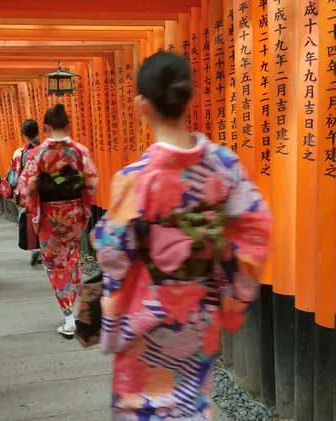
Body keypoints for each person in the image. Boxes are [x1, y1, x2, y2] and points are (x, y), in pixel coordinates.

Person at [91, 52, 272, 420]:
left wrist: (110, 305)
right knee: (191, 399)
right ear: (189, 97)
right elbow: (256, 227)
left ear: (142, 106)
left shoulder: (135, 178)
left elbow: (113, 253)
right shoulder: (224, 164)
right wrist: (233, 297)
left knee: (143, 405)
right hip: (198, 310)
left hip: (146, 315)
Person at [19, 103, 98, 338]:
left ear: (45, 128)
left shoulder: (37, 154)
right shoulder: (79, 151)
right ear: (68, 125)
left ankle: (68, 316)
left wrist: (34, 212)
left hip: (49, 216)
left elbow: (27, 187)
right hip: (73, 214)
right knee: (72, 257)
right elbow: (91, 182)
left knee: (55, 264)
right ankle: (73, 308)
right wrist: (84, 209)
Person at [1, 119, 43, 265]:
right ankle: (43, 248)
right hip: (42, 190)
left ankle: (34, 247)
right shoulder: (44, 151)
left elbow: (13, 174)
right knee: (43, 219)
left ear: (23, 134)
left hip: (25, 194)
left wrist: (9, 190)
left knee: (29, 218)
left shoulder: (19, 153)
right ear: (38, 132)